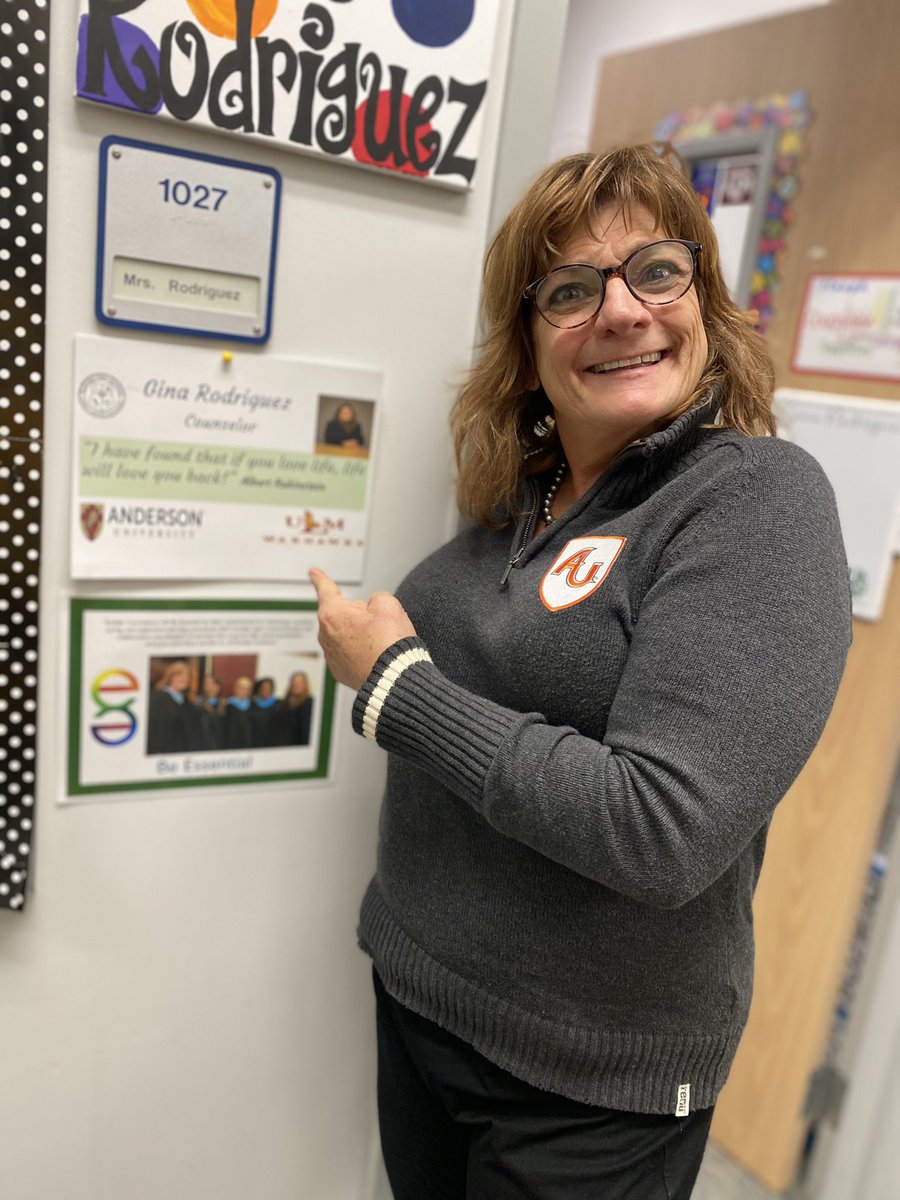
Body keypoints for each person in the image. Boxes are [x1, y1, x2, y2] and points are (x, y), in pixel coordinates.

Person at [311, 144, 852, 1200]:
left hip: (588, 1088)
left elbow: (663, 830)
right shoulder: (525, 494)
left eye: (656, 271)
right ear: (526, 347)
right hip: (422, 999)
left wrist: (398, 690)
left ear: (705, 301)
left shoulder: (755, 502)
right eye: (570, 290)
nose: (621, 311)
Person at [146, 660, 197, 755]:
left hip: (184, 753)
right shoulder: (158, 698)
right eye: (179, 674)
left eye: (188, 675)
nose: (185, 678)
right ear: (170, 677)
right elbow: (154, 728)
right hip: (163, 753)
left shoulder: (187, 703)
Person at [271, 670, 314, 746]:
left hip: (297, 746)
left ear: (305, 685)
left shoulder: (308, 703)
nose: (295, 685)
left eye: (299, 683)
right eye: (294, 682)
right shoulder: (283, 704)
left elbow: (306, 730)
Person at [194, 674, 226, 750]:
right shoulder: (197, 704)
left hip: (220, 746)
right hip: (202, 746)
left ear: (219, 687)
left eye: (213, 683)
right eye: (206, 684)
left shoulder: (225, 705)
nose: (209, 686)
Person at [223, 676, 254, 750]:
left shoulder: (253, 706)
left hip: (247, 741)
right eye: (241, 688)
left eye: (246, 689)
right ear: (235, 689)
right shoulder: (226, 705)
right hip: (230, 741)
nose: (243, 691)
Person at [249, 676, 279, 747]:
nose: (266, 690)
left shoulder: (279, 705)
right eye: (263, 687)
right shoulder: (252, 705)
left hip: (273, 743)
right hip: (255, 742)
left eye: (268, 688)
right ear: (259, 689)